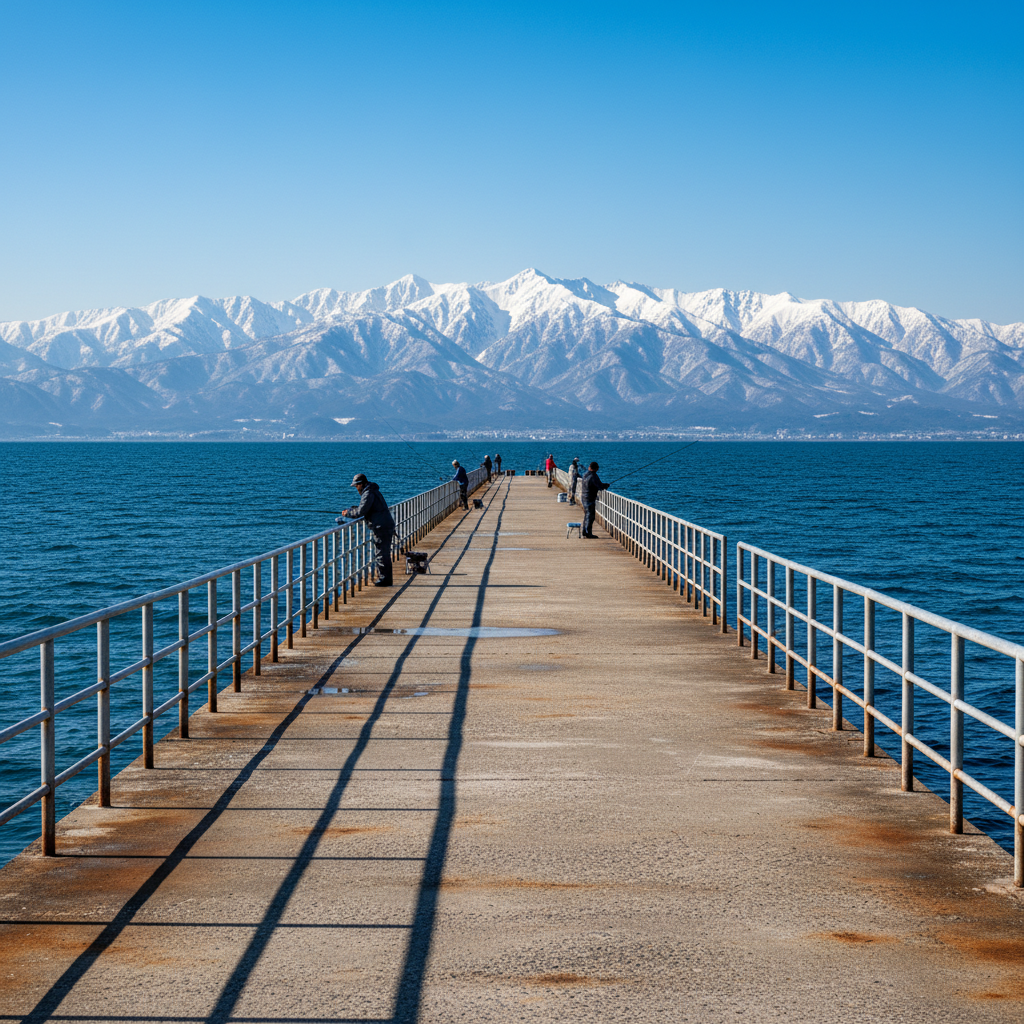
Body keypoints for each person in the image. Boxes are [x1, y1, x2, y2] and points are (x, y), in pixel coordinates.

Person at [342, 473, 396, 587]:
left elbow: (361, 512)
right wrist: (353, 509)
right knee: (383, 553)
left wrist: (348, 513)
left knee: (381, 553)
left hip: (381, 526)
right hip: (385, 524)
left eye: (357, 486)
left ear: (361, 484)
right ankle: (386, 578)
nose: (356, 488)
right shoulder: (372, 491)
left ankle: (385, 579)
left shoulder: (368, 493)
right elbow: (366, 508)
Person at [580, 461, 609, 538]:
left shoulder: (585, 474)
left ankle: (584, 531)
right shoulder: (594, 476)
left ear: (589, 467)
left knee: (587, 515)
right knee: (591, 516)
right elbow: (600, 486)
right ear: (596, 469)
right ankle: (588, 533)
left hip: (584, 497)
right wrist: (606, 485)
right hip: (590, 499)